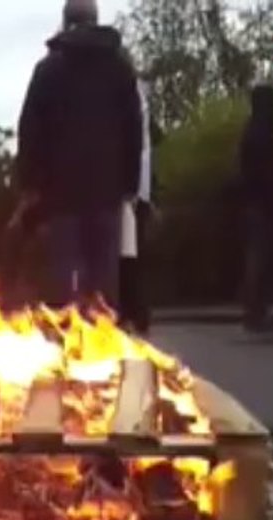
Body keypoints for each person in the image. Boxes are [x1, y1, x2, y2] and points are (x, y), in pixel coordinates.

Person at [15, 0, 142, 313]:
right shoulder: (120, 67)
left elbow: (30, 129)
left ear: (65, 22)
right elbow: (134, 129)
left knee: (63, 275)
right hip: (106, 189)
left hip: (61, 194)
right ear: (96, 20)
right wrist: (130, 184)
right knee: (103, 278)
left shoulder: (49, 69)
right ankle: (104, 343)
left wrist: (31, 185)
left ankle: (66, 346)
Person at [238, 84, 273, 332]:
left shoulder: (252, 131)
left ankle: (255, 310)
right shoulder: (265, 134)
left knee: (259, 256)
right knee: (262, 257)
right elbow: (269, 170)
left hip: (256, 202)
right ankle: (257, 310)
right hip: (267, 203)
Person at [118, 76, 153, 335]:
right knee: (132, 256)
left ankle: (133, 313)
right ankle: (137, 313)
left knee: (127, 257)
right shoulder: (137, 101)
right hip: (136, 191)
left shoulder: (128, 97)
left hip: (127, 193)